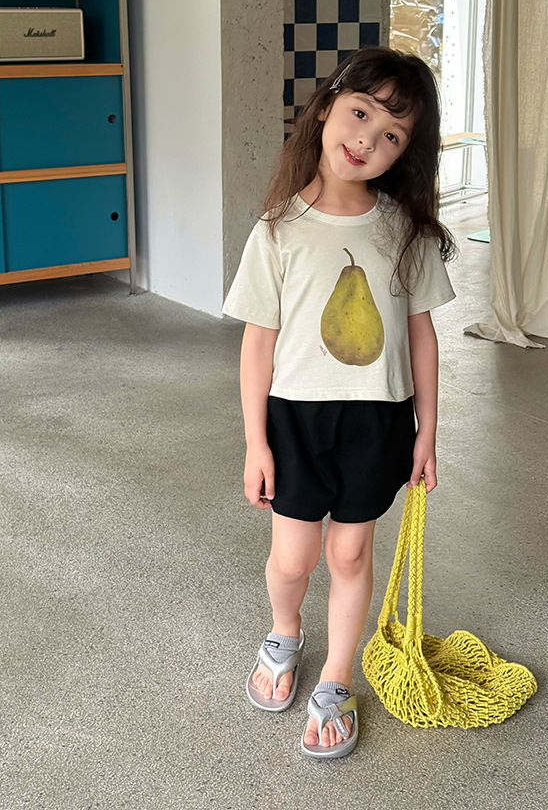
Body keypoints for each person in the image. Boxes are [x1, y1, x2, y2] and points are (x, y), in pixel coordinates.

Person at [222, 46, 456, 759]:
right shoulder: (277, 229)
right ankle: (284, 632)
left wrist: (427, 432)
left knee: (350, 554)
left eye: (392, 134)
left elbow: (421, 336)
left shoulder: (403, 230)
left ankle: (336, 678)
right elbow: (257, 345)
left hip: (377, 420)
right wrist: (256, 442)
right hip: (295, 418)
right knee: (293, 560)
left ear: (405, 154)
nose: (367, 139)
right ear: (326, 107)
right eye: (360, 113)